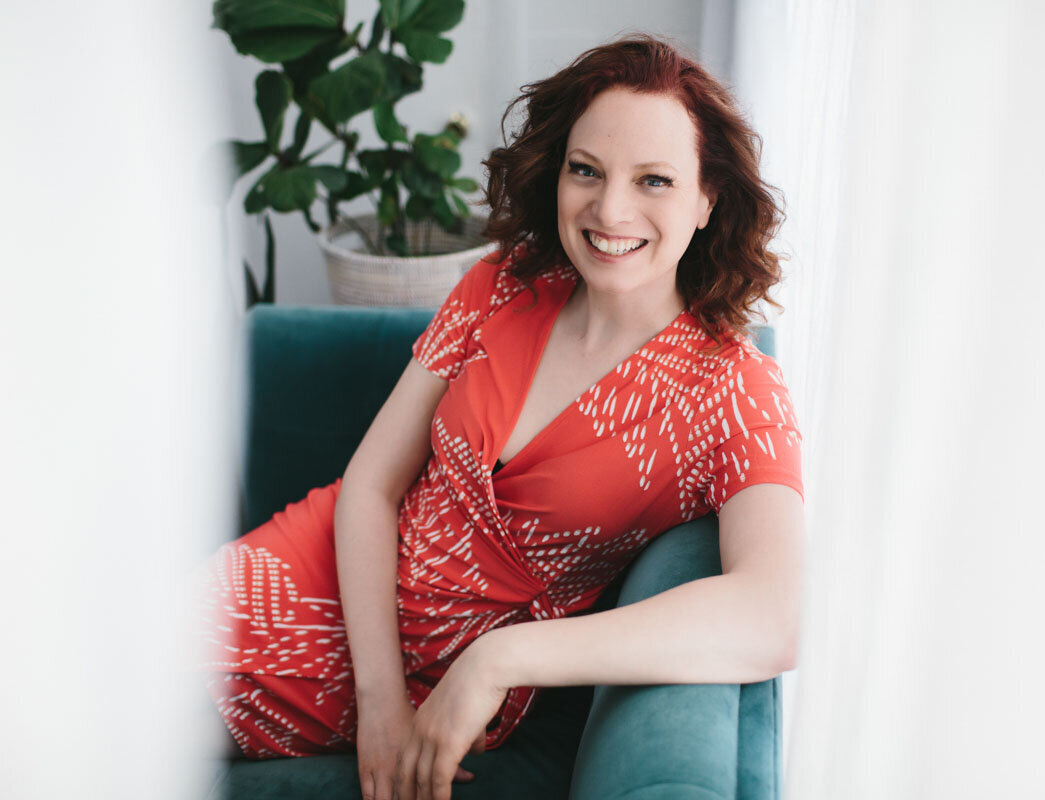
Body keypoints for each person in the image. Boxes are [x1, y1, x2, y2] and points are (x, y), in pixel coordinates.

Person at [194, 33, 805, 800]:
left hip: (453, 670)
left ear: (707, 198)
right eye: (587, 171)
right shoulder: (501, 285)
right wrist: (380, 704)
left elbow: (772, 615)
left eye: (653, 180)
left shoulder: (733, 387)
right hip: (314, 574)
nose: (610, 208)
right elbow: (370, 486)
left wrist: (501, 659)